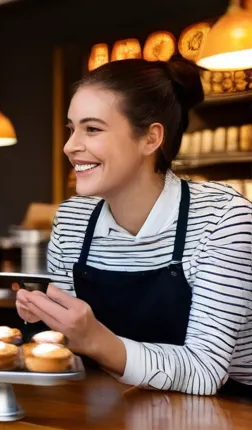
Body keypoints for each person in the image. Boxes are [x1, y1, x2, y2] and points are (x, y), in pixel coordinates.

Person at [16, 56, 252, 397]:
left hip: (232, 419)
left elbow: (204, 370)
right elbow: (68, 351)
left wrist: (97, 340)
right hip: (120, 408)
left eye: (92, 129)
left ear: (150, 139)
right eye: (71, 129)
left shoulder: (223, 218)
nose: (70, 146)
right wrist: (42, 318)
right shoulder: (72, 220)